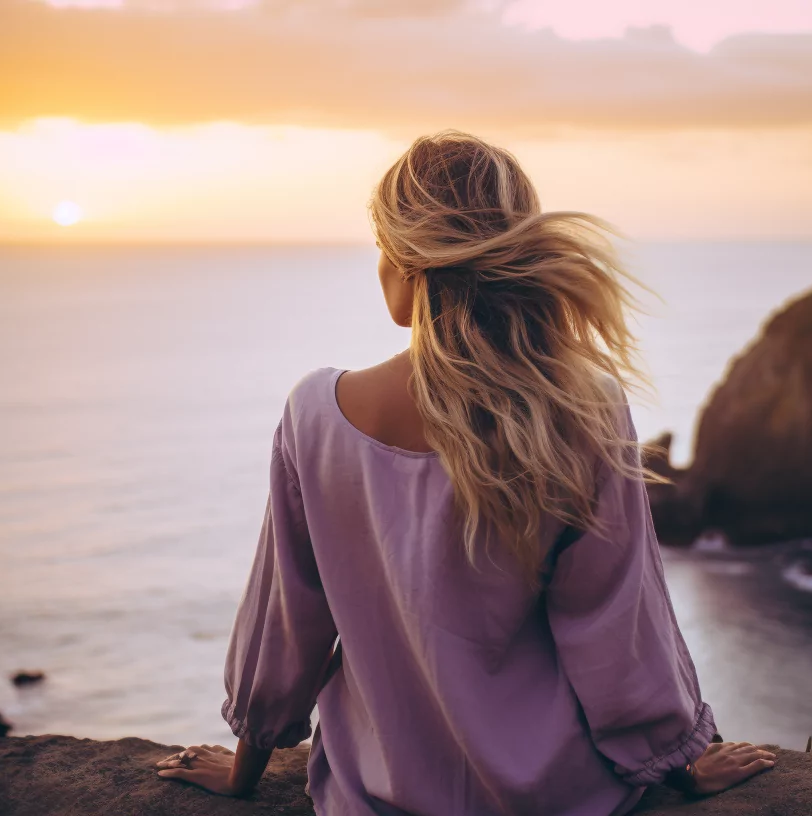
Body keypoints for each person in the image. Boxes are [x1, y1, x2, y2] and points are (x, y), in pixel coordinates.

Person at [155, 131, 776, 814]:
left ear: (405, 264)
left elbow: (288, 621)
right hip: (557, 793)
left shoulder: (316, 416)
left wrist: (245, 771)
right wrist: (678, 765)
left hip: (379, 790)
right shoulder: (579, 409)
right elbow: (615, 626)